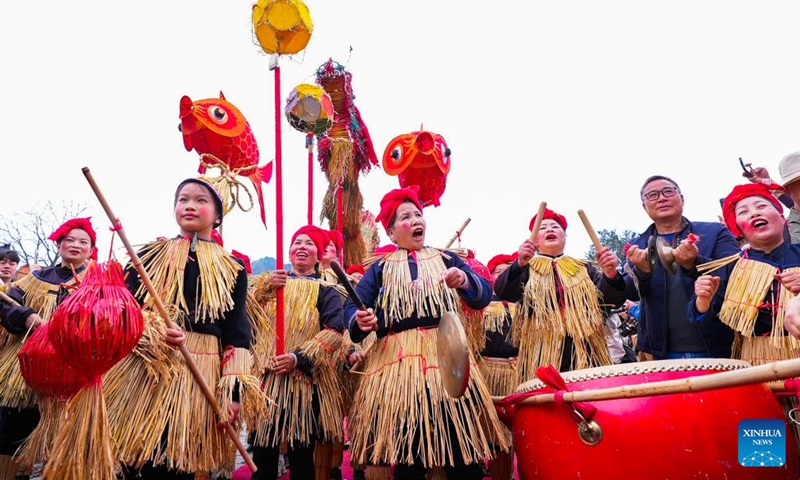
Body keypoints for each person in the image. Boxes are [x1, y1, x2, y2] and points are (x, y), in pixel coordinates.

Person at [105, 177, 262, 479]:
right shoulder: (147, 257)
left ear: (217, 216)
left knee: (179, 462)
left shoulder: (233, 266)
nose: (190, 205)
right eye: (183, 199)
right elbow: (124, 310)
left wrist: (233, 392)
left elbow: (237, 331)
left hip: (200, 368)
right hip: (147, 368)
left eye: (201, 200)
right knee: (135, 457)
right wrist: (151, 330)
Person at [346, 187, 507, 480]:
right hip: (400, 370)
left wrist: (465, 280)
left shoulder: (446, 259)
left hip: (446, 360)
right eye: (405, 216)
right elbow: (352, 310)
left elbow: (484, 295)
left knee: (461, 450)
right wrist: (361, 319)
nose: (416, 219)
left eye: (418, 214)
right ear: (392, 233)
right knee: (411, 455)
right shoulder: (380, 268)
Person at [692, 182, 800, 454]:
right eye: (744, 211)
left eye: (762, 206)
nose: (754, 213)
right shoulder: (728, 269)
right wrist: (703, 302)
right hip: (754, 367)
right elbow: (714, 331)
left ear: (782, 216)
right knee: (764, 453)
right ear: (737, 227)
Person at [0, 218, 95, 479]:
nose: (75, 245)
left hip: (75, 371)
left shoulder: (97, 282)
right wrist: (27, 316)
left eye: (83, 242)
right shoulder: (34, 279)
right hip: (26, 369)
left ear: (90, 249)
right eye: (70, 240)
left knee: (67, 437)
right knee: (14, 429)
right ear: (59, 244)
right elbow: (7, 307)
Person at [249, 224, 345, 480]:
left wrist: (297, 358)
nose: (302, 247)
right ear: (289, 251)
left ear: (319, 254)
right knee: (263, 455)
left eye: (309, 243)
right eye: (297, 242)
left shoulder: (327, 290)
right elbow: (246, 318)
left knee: (302, 459)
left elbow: (334, 332)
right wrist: (265, 288)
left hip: (304, 384)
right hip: (267, 382)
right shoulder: (270, 282)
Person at [494, 208, 625, 382]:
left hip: (585, 348)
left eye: (555, 227)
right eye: (542, 228)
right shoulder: (526, 268)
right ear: (534, 240)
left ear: (565, 236)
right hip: (540, 351)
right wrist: (518, 264)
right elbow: (505, 292)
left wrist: (610, 274)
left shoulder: (584, 268)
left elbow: (610, 302)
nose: (549, 229)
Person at [623, 175, 740, 360]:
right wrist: (642, 271)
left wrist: (694, 263)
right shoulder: (637, 245)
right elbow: (629, 293)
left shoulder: (715, 232)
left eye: (668, 191)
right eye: (652, 195)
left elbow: (735, 274)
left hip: (716, 344)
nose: (661, 198)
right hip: (659, 352)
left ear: (682, 198)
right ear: (644, 207)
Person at [476, 252, 519, 480]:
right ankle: (499, 474)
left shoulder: (521, 304)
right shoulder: (482, 306)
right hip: (490, 373)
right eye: (499, 272)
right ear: (491, 276)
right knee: (495, 433)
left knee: (519, 432)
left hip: (519, 374)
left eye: (507, 272)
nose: (503, 277)